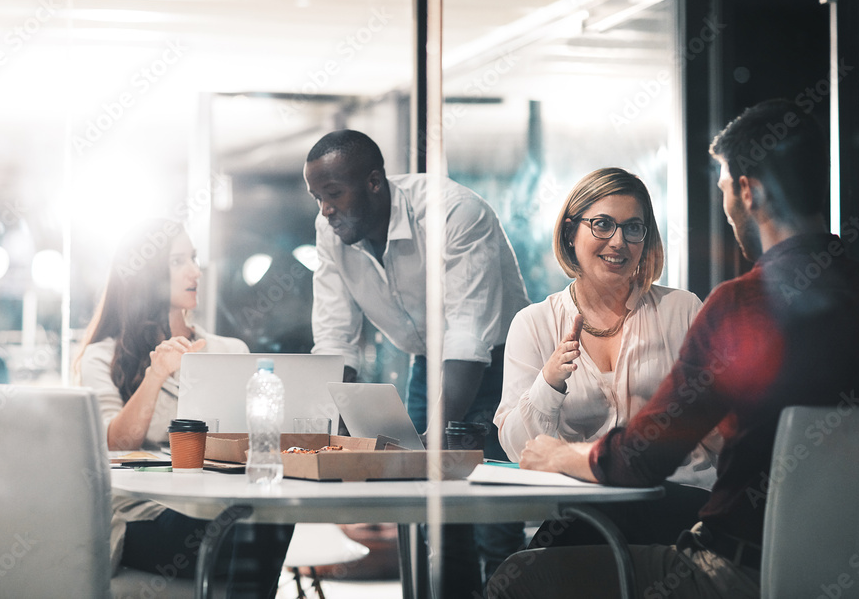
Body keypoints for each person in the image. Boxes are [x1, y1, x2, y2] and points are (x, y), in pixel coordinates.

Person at [486, 98, 859, 598]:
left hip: (739, 571)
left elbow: (644, 458)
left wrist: (559, 455)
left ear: (749, 191)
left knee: (517, 578)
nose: (724, 204)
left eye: (723, 186)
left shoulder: (739, 306)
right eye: (602, 224)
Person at [303, 129, 531, 596]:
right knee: (434, 518)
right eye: (316, 197)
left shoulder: (454, 214)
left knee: (492, 516)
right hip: (429, 361)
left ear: (372, 182)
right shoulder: (331, 233)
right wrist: (327, 433)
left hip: (498, 363)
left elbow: (469, 337)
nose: (324, 210)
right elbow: (334, 340)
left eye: (332, 194)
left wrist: (432, 446)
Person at [494, 167, 718, 549]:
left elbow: (718, 429)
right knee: (537, 565)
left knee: (531, 572)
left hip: (677, 501)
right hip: (581, 510)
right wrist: (549, 382)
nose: (618, 241)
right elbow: (519, 449)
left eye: (633, 228)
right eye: (602, 224)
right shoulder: (534, 323)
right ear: (570, 232)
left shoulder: (682, 309)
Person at [76, 219, 292, 597]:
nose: (195, 270)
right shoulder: (102, 357)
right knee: (238, 526)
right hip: (147, 516)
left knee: (270, 517)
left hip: (222, 503)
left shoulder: (229, 351)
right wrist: (154, 375)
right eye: (178, 261)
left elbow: (248, 440)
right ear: (146, 274)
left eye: (193, 258)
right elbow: (114, 443)